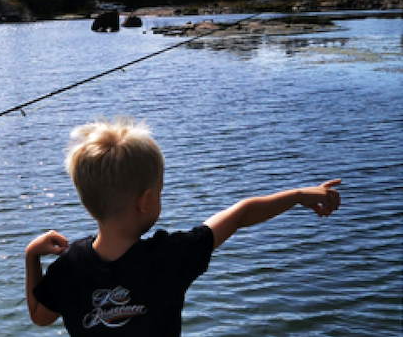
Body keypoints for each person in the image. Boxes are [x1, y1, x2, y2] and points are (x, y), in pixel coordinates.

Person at [24, 117, 341, 336]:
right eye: (160, 191)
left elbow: (40, 317)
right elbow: (242, 213)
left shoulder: (68, 268)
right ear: (145, 200)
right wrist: (299, 195)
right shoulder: (171, 256)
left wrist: (31, 256)